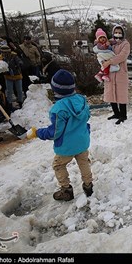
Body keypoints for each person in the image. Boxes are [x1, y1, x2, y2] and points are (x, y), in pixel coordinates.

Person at [26, 69, 94, 201]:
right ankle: (88, 186)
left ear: (55, 89)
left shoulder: (58, 109)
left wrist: (37, 133)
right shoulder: (81, 100)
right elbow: (86, 117)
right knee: (84, 162)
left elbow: (55, 132)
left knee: (58, 165)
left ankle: (66, 190)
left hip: (66, 147)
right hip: (82, 141)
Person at [0, 44, 24, 111]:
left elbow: (20, 61)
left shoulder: (14, 55)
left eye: (6, 52)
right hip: (8, 76)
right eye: (3, 52)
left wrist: (19, 64)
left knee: (19, 90)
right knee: (9, 91)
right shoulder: (0, 58)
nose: (5, 54)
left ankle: (20, 102)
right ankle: (9, 104)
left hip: (17, 75)